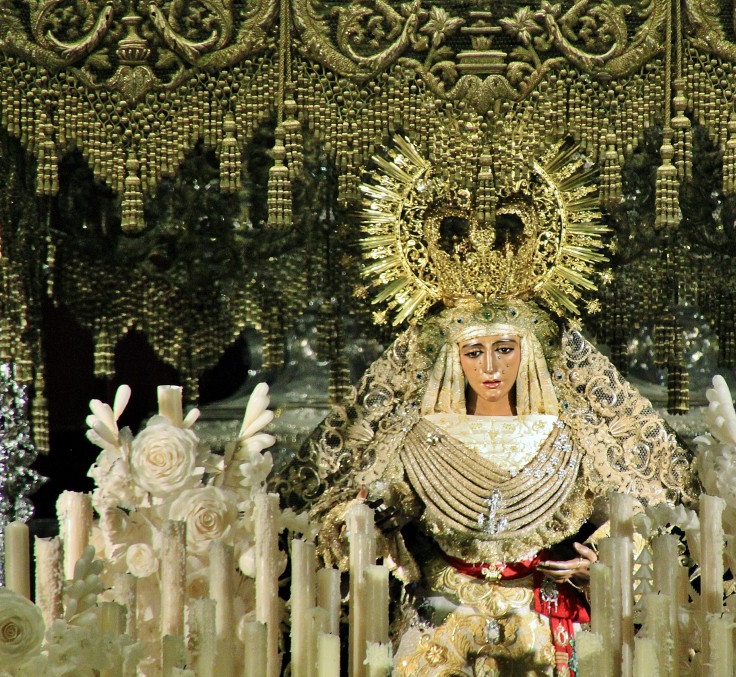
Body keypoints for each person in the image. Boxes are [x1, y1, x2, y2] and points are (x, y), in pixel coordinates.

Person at [279, 135, 695, 675]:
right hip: (438, 626)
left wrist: (609, 558)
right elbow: (356, 513)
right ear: (455, 359)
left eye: (505, 349)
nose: (491, 368)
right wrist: (371, 519)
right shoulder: (419, 435)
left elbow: (632, 510)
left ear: (528, 354)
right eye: (475, 352)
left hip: (547, 625)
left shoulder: (564, 435)